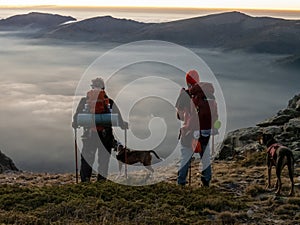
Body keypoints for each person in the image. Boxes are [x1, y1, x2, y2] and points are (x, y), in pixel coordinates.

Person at [72, 77, 128, 182]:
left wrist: (75, 124)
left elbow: (76, 118)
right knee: (103, 159)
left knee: (87, 159)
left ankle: (85, 181)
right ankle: (101, 181)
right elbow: (119, 120)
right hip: (105, 135)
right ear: (103, 88)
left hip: (89, 135)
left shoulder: (85, 101)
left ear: (92, 87)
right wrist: (124, 125)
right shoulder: (109, 102)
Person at [175, 70, 218, 186]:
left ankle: (181, 182)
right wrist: (214, 127)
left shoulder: (186, 95)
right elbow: (216, 117)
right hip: (206, 132)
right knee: (205, 158)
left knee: (185, 157)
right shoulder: (209, 94)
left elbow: (179, 116)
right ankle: (206, 181)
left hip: (189, 132)